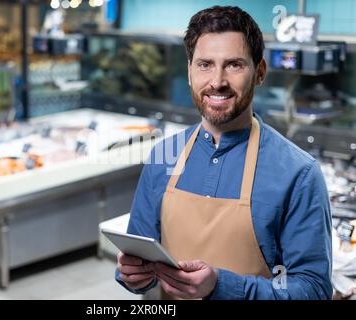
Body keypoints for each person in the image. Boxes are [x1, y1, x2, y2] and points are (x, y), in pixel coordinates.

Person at [115, 6, 332, 300]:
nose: (217, 81)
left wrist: (222, 286)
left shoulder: (298, 173)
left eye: (234, 65)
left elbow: (313, 290)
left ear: (260, 73)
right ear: (189, 72)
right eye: (205, 64)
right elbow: (138, 257)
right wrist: (132, 276)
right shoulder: (163, 155)